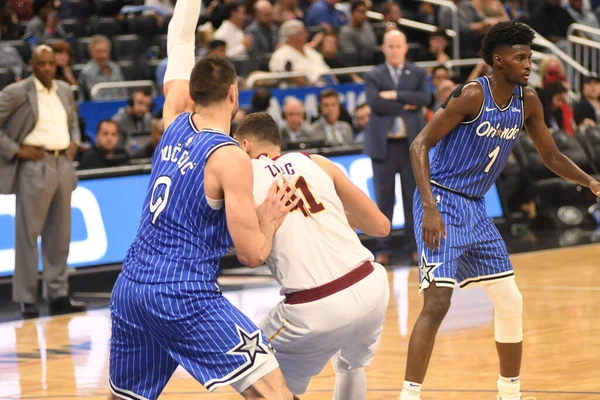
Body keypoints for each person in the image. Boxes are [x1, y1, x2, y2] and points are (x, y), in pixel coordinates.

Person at [107, 0, 299, 397]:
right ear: (234, 94)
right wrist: (271, 217)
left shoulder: (174, 117)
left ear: (190, 92)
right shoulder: (230, 157)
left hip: (130, 288)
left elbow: (179, 37)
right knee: (273, 391)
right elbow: (250, 254)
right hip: (182, 294)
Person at [401, 21, 600, 400]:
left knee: (510, 300)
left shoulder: (529, 100)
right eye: (520, 57)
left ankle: (510, 392)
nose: (528, 64)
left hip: (475, 206)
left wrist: (589, 181)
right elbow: (419, 145)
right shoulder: (471, 96)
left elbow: (552, 155)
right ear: (498, 60)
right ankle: (408, 395)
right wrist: (428, 206)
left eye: (530, 57)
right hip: (441, 199)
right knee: (439, 300)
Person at [232, 112, 391, 400]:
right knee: (349, 365)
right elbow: (381, 226)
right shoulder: (315, 161)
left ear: (244, 146)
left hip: (315, 306)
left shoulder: (241, 177)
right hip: (371, 285)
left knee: (248, 367)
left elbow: (247, 253)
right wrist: (338, 213)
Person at [0, 45, 85, 319]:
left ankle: (58, 294)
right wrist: (15, 149)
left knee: (60, 236)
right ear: (32, 65)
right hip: (34, 164)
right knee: (28, 236)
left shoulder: (63, 89)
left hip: (63, 164)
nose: (47, 68)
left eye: (51, 63)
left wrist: (75, 141)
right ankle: (26, 299)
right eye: (42, 64)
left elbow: (72, 119)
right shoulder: (17, 91)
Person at [363, 29, 431, 266]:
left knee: (413, 198)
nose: (394, 50)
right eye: (390, 46)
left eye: (398, 46)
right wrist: (406, 103)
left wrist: (394, 95)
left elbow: (425, 98)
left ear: (405, 48)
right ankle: (383, 248)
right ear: (383, 48)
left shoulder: (419, 72)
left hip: (410, 146)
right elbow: (374, 103)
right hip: (383, 146)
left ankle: (415, 247)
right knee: (383, 200)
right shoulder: (373, 74)